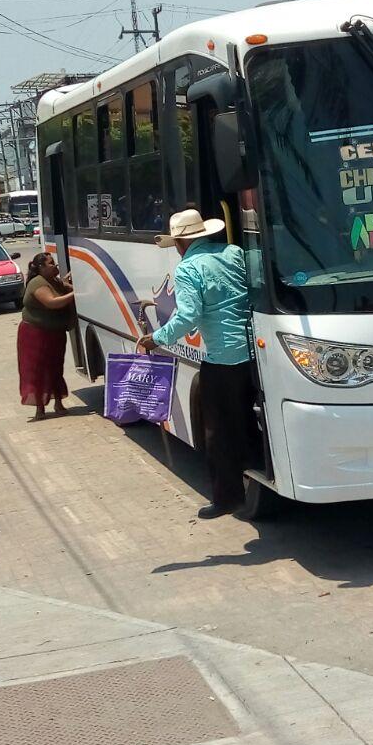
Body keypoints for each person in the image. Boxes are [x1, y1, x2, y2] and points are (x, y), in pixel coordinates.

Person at [138, 209, 253, 519]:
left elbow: (188, 316)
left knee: (217, 431)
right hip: (254, 350)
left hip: (222, 357)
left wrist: (156, 338)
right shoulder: (234, 252)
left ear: (180, 243)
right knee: (246, 418)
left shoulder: (188, 269)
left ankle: (228, 497)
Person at [18, 252, 75, 420]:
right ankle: (40, 408)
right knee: (37, 370)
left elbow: (65, 289)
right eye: (51, 263)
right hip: (36, 334)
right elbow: (51, 302)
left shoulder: (55, 281)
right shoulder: (37, 283)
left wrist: (71, 284)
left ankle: (58, 402)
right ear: (41, 267)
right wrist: (76, 294)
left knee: (56, 367)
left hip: (55, 333)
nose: (55, 265)